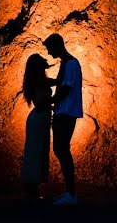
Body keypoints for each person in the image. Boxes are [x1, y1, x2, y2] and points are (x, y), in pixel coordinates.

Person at [43, 33, 83, 206]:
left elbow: (65, 88)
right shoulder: (66, 63)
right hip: (62, 112)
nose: (49, 53)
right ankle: (69, 192)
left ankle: (72, 194)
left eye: (49, 49)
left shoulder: (71, 63)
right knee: (60, 150)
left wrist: (50, 101)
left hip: (66, 113)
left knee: (62, 150)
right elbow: (59, 82)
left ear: (56, 46)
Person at [20, 54, 53, 201]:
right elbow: (40, 103)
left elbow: (52, 82)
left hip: (39, 119)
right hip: (39, 119)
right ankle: (31, 190)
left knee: (35, 152)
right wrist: (54, 101)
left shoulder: (38, 80)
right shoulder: (39, 81)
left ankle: (32, 189)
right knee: (35, 152)